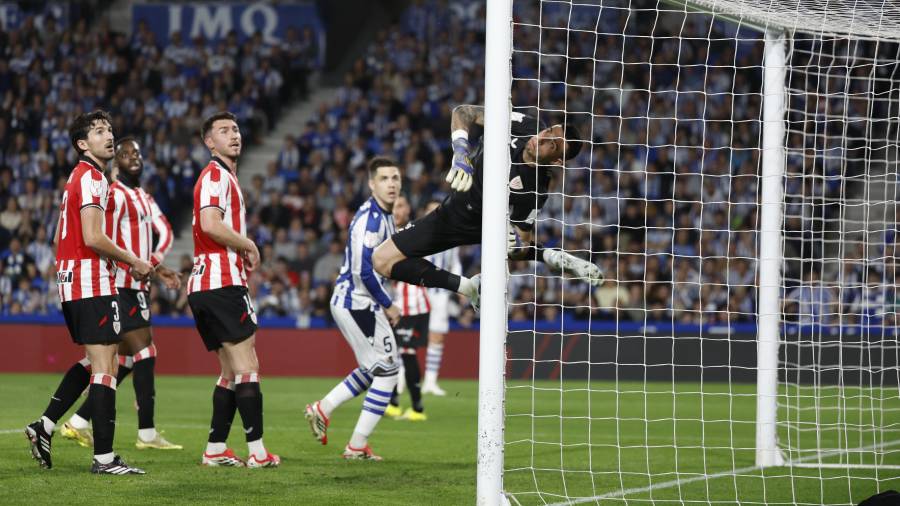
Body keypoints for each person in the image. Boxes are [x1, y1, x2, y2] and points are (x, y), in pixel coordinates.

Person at [372, 104, 603, 310]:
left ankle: (550, 256)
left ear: (557, 161)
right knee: (381, 260)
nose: (541, 138)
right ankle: (469, 287)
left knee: (511, 248)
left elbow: (520, 245)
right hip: (452, 213)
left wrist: (516, 241)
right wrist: (460, 151)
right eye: (549, 131)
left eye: (551, 144)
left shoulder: (536, 187)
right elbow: (464, 112)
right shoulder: (527, 125)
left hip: (481, 227)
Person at [25, 110, 153, 474]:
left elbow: (57, 237)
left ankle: (45, 425)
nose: (108, 135)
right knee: (105, 369)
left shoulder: (78, 177)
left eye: (110, 129)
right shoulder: (94, 177)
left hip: (74, 279)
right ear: (83, 144)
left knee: (103, 361)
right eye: (99, 131)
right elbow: (94, 236)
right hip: (91, 279)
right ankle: (104, 458)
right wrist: (132, 261)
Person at [60, 136, 182, 451]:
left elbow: (166, 233)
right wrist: (137, 266)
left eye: (138, 153)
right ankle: (146, 433)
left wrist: (153, 267)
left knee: (122, 359)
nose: (133, 157)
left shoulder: (144, 197)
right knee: (142, 353)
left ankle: (77, 421)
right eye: (126, 153)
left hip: (139, 282)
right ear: (116, 161)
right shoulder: (113, 193)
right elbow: (104, 238)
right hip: (121, 284)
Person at [188, 111, 279, 468]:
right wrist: (248, 244)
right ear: (209, 142)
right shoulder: (215, 175)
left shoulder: (223, 176)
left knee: (228, 371)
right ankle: (257, 452)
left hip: (205, 285)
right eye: (224, 131)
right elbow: (211, 223)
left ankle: (215, 448)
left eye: (236, 129)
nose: (234, 135)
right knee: (248, 365)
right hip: (221, 283)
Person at [305, 157, 403, 461]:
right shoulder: (371, 221)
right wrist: (389, 305)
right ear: (371, 184)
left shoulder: (384, 216)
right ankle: (357, 445)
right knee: (388, 371)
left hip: (357, 302)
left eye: (395, 178)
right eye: (384, 178)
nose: (391, 184)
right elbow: (363, 271)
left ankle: (323, 408)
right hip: (358, 303)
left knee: (372, 367)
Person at [383, 195, 428, 421]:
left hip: (413, 306)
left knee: (407, 355)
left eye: (400, 205)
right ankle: (392, 403)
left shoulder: (415, 232)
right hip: (395, 305)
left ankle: (417, 408)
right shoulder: (388, 233)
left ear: (408, 208)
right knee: (390, 352)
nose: (396, 210)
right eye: (393, 207)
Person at [418, 201, 463, 397]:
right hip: (418, 291)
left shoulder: (452, 235)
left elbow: (455, 264)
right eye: (431, 210)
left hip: (440, 294)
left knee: (437, 336)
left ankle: (430, 381)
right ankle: (401, 378)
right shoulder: (416, 232)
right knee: (407, 336)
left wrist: (459, 287)